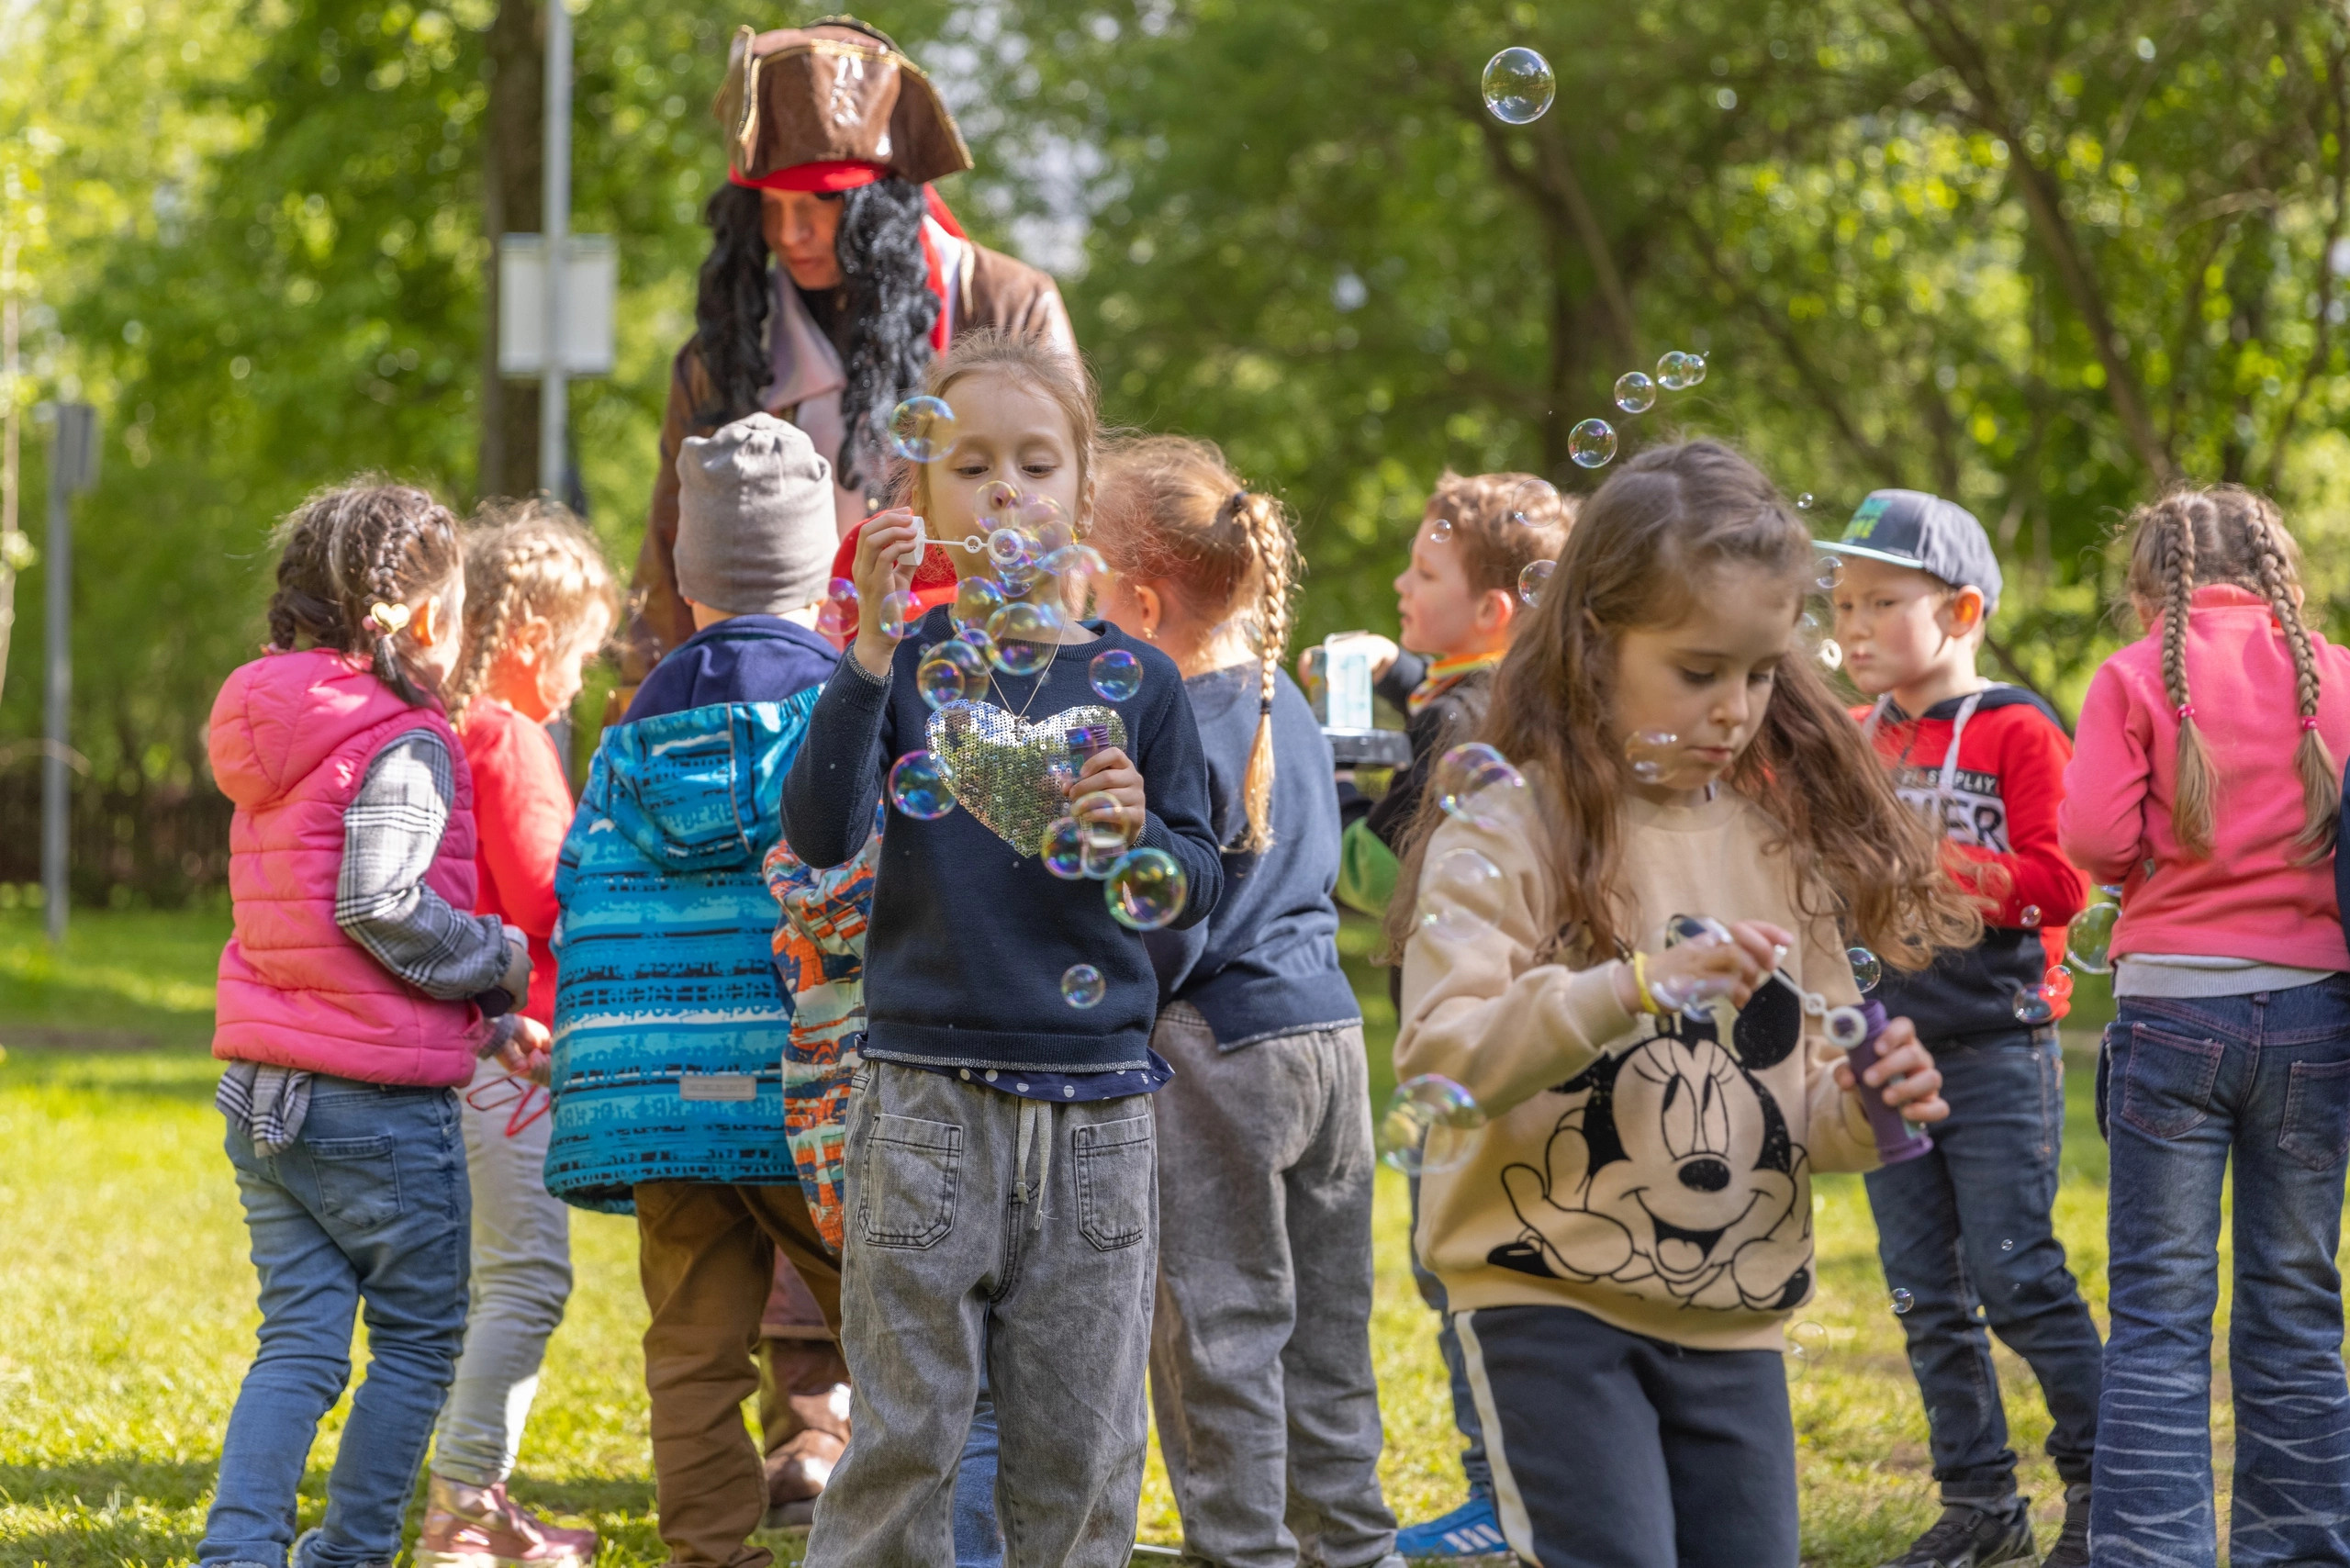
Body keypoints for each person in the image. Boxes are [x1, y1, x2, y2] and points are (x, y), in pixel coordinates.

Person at [1390, 440, 1973, 1568]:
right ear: (1595, 644)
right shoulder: (1510, 826)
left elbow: (1796, 1103)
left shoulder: (1776, 847)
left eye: (1759, 674)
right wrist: (1630, 988)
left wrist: (1867, 1101)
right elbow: (1441, 1056)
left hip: (1734, 1316)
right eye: (1699, 672)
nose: (1735, 710)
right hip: (1543, 1295)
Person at [779, 330, 1225, 1568]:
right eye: (970, 465)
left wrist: (1146, 832)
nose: (1006, 488)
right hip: (926, 1094)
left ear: (1085, 495)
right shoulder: (910, 667)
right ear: (920, 496)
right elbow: (819, 832)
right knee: (907, 1435)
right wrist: (866, 647)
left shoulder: (1141, 685)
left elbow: (1190, 886)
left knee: (1079, 1451)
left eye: (1036, 464)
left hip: (1098, 1113)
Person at [198, 481, 538, 1568]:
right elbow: (379, 904)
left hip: (265, 1095)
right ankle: (345, 1555)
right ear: (413, 620)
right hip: (375, 1113)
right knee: (419, 1340)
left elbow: (319, 935)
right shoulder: (401, 735)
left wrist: (484, 1023)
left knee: (298, 1342)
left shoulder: (274, 723)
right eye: (454, 611)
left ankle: (241, 1551)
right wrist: (501, 960)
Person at [542, 412, 845, 1568]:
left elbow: (583, 876)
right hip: (800, 1087)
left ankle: (709, 1550)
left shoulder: (632, 727)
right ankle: (888, 1520)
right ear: (822, 570)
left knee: (691, 1344)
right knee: (882, 1308)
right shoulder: (840, 708)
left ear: (684, 570)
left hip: (660, 1092)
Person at [1091, 437, 1400, 1568]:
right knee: (1326, 1324)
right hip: (1326, 1039)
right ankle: (1354, 1546)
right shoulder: (1286, 699)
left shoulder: (1166, 716)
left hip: (1215, 1051)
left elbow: (1169, 917)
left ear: (1138, 595)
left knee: (1220, 1326)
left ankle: (1246, 1551)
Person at [2058, 485, 2350, 1568]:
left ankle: (2150, 1553)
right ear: (2283, 573)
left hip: (2173, 1010)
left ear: (2147, 588)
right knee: (2295, 1299)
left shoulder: (2134, 676)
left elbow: (2090, 833)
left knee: (2158, 1308)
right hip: (2317, 1015)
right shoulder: (2336, 674)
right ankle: (2302, 1550)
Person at [620, 15, 1075, 705]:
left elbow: (1066, 525)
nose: (790, 233)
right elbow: (669, 554)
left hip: (976, 696)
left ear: (881, 203)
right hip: (779, 718)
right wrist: (638, 718)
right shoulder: (726, 351)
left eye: (821, 202)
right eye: (769, 207)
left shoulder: (1006, 307)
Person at [1825, 490, 2101, 1568]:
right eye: (1842, 603)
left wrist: (1930, 864)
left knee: (2017, 1273)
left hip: (1993, 1046)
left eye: (1882, 600)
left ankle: (2105, 1485)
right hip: (1883, 1047)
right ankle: (1979, 1506)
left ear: (1963, 609)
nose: (1851, 624)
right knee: (1922, 1291)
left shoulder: (2017, 727)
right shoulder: (1850, 739)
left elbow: (2063, 878)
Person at [1311, 471, 1569, 1563]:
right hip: (1519, 1033)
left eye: (1424, 575)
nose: (1400, 584)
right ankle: (1540, 1491)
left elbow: (1376, 870)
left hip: (1456, 1035)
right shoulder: (1513, 692)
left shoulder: (1463, 716)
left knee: (1456, 1264)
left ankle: (1492, 1495)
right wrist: (1404, 670)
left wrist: (1333, 719)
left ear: (1495, 611)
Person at [414, 502, 617, 1568]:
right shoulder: (507, 734)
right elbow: (551, 890)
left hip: (455, 1052)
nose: (582, 675)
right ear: (534, 635)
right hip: (514, 1056)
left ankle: (465, 1497)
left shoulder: (446, 729)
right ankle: (464, 1512)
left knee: (481, 1280)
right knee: (528, 1277)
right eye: (580, 650)